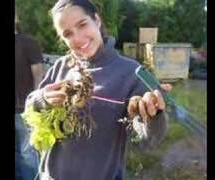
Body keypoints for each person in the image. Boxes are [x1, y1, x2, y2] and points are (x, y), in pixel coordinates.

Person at [24, 0, 171, 179]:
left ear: (97, 20)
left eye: (82, 24)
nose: (77, 38)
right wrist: (42, 98)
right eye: (68, 34)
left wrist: (152, 115)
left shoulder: (131, 72)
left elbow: (149, 139)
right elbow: (30, 106)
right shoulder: (61, 66)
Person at [15, 13, 46, 180]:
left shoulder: (28, 43)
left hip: (23, 110)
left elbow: (39, 75)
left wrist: (36, 108)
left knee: (27, 153)